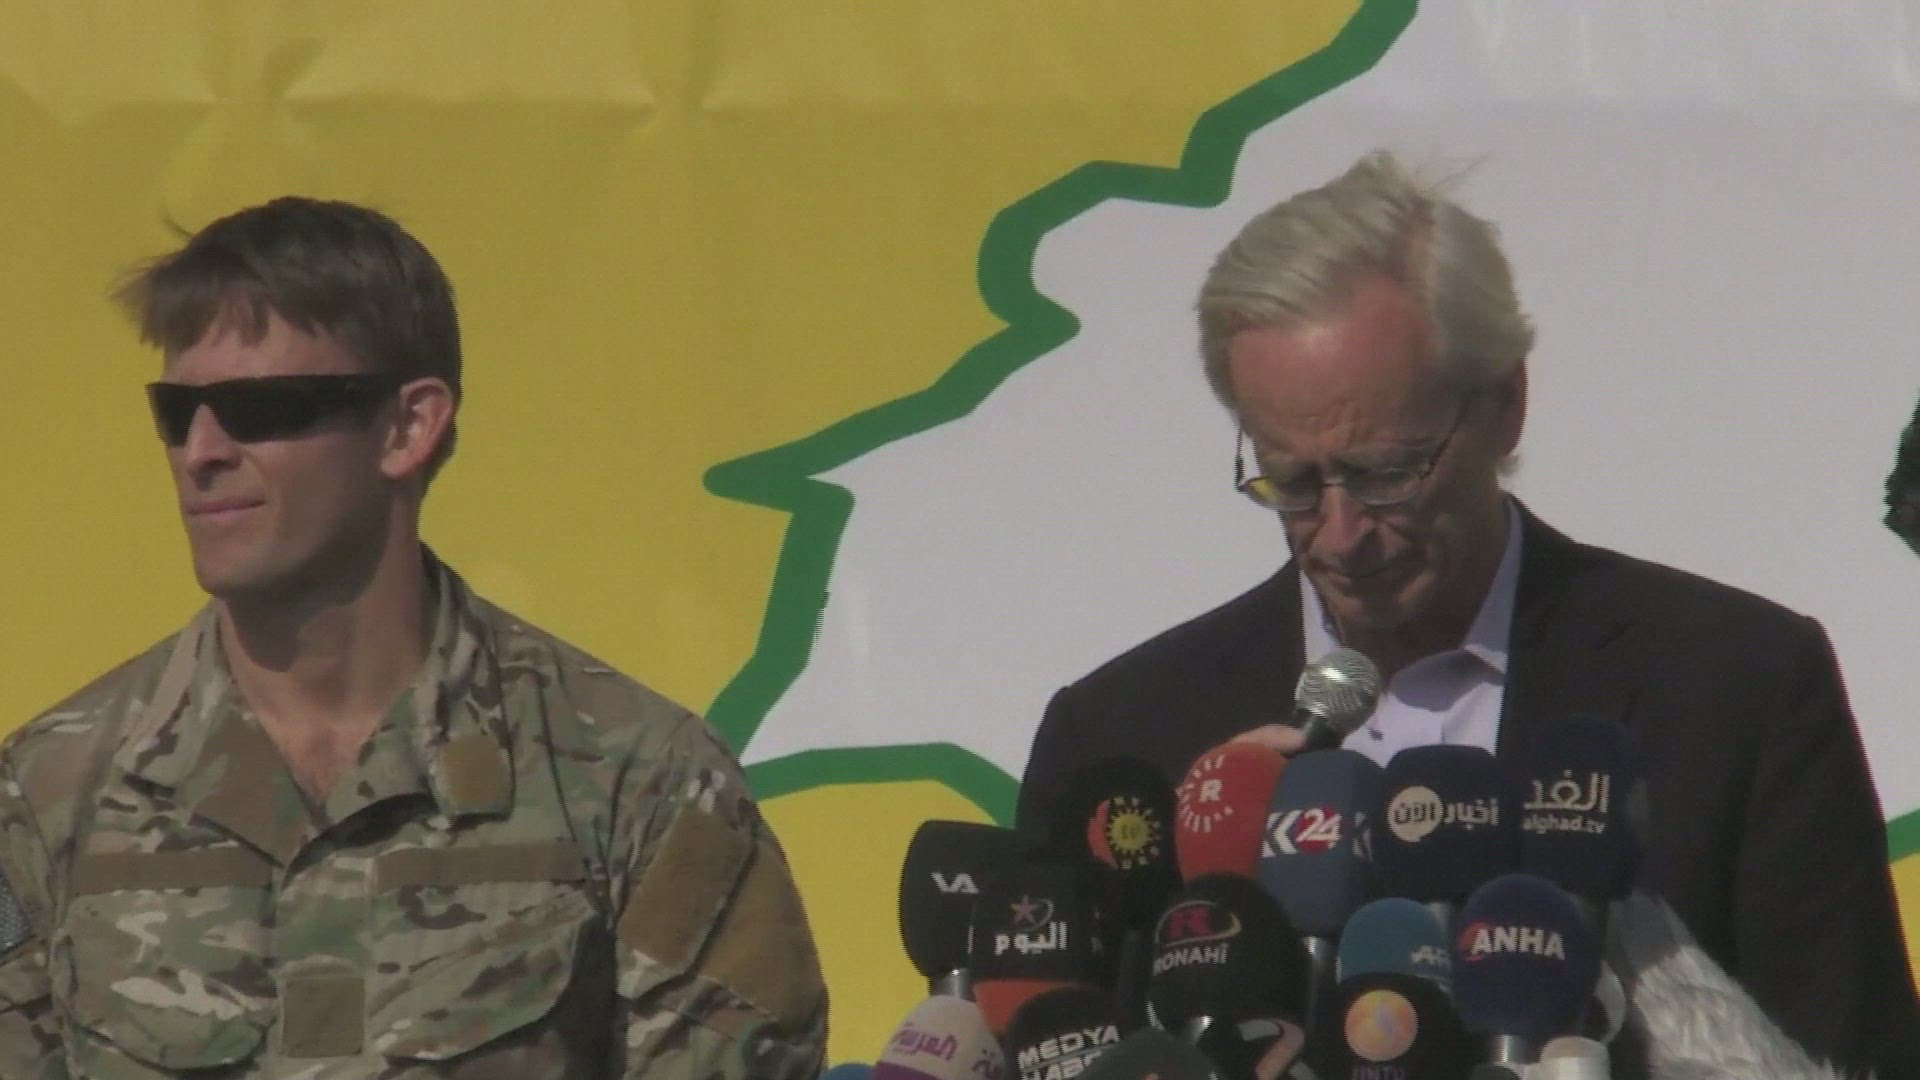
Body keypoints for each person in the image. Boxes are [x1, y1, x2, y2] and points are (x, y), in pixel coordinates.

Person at [1016, 152, 1919, 1077]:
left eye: (1386, 472)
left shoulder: (1737, 685)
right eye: (1292, 482)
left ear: (1505, 406)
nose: (1341, 535)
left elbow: (1858, 1052)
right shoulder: (1120, 736)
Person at [0, 197, 828, 1078]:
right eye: (176, 411)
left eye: (254, 407)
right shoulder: (50, 792)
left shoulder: (637, 783)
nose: (199, 451)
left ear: (407, 427)